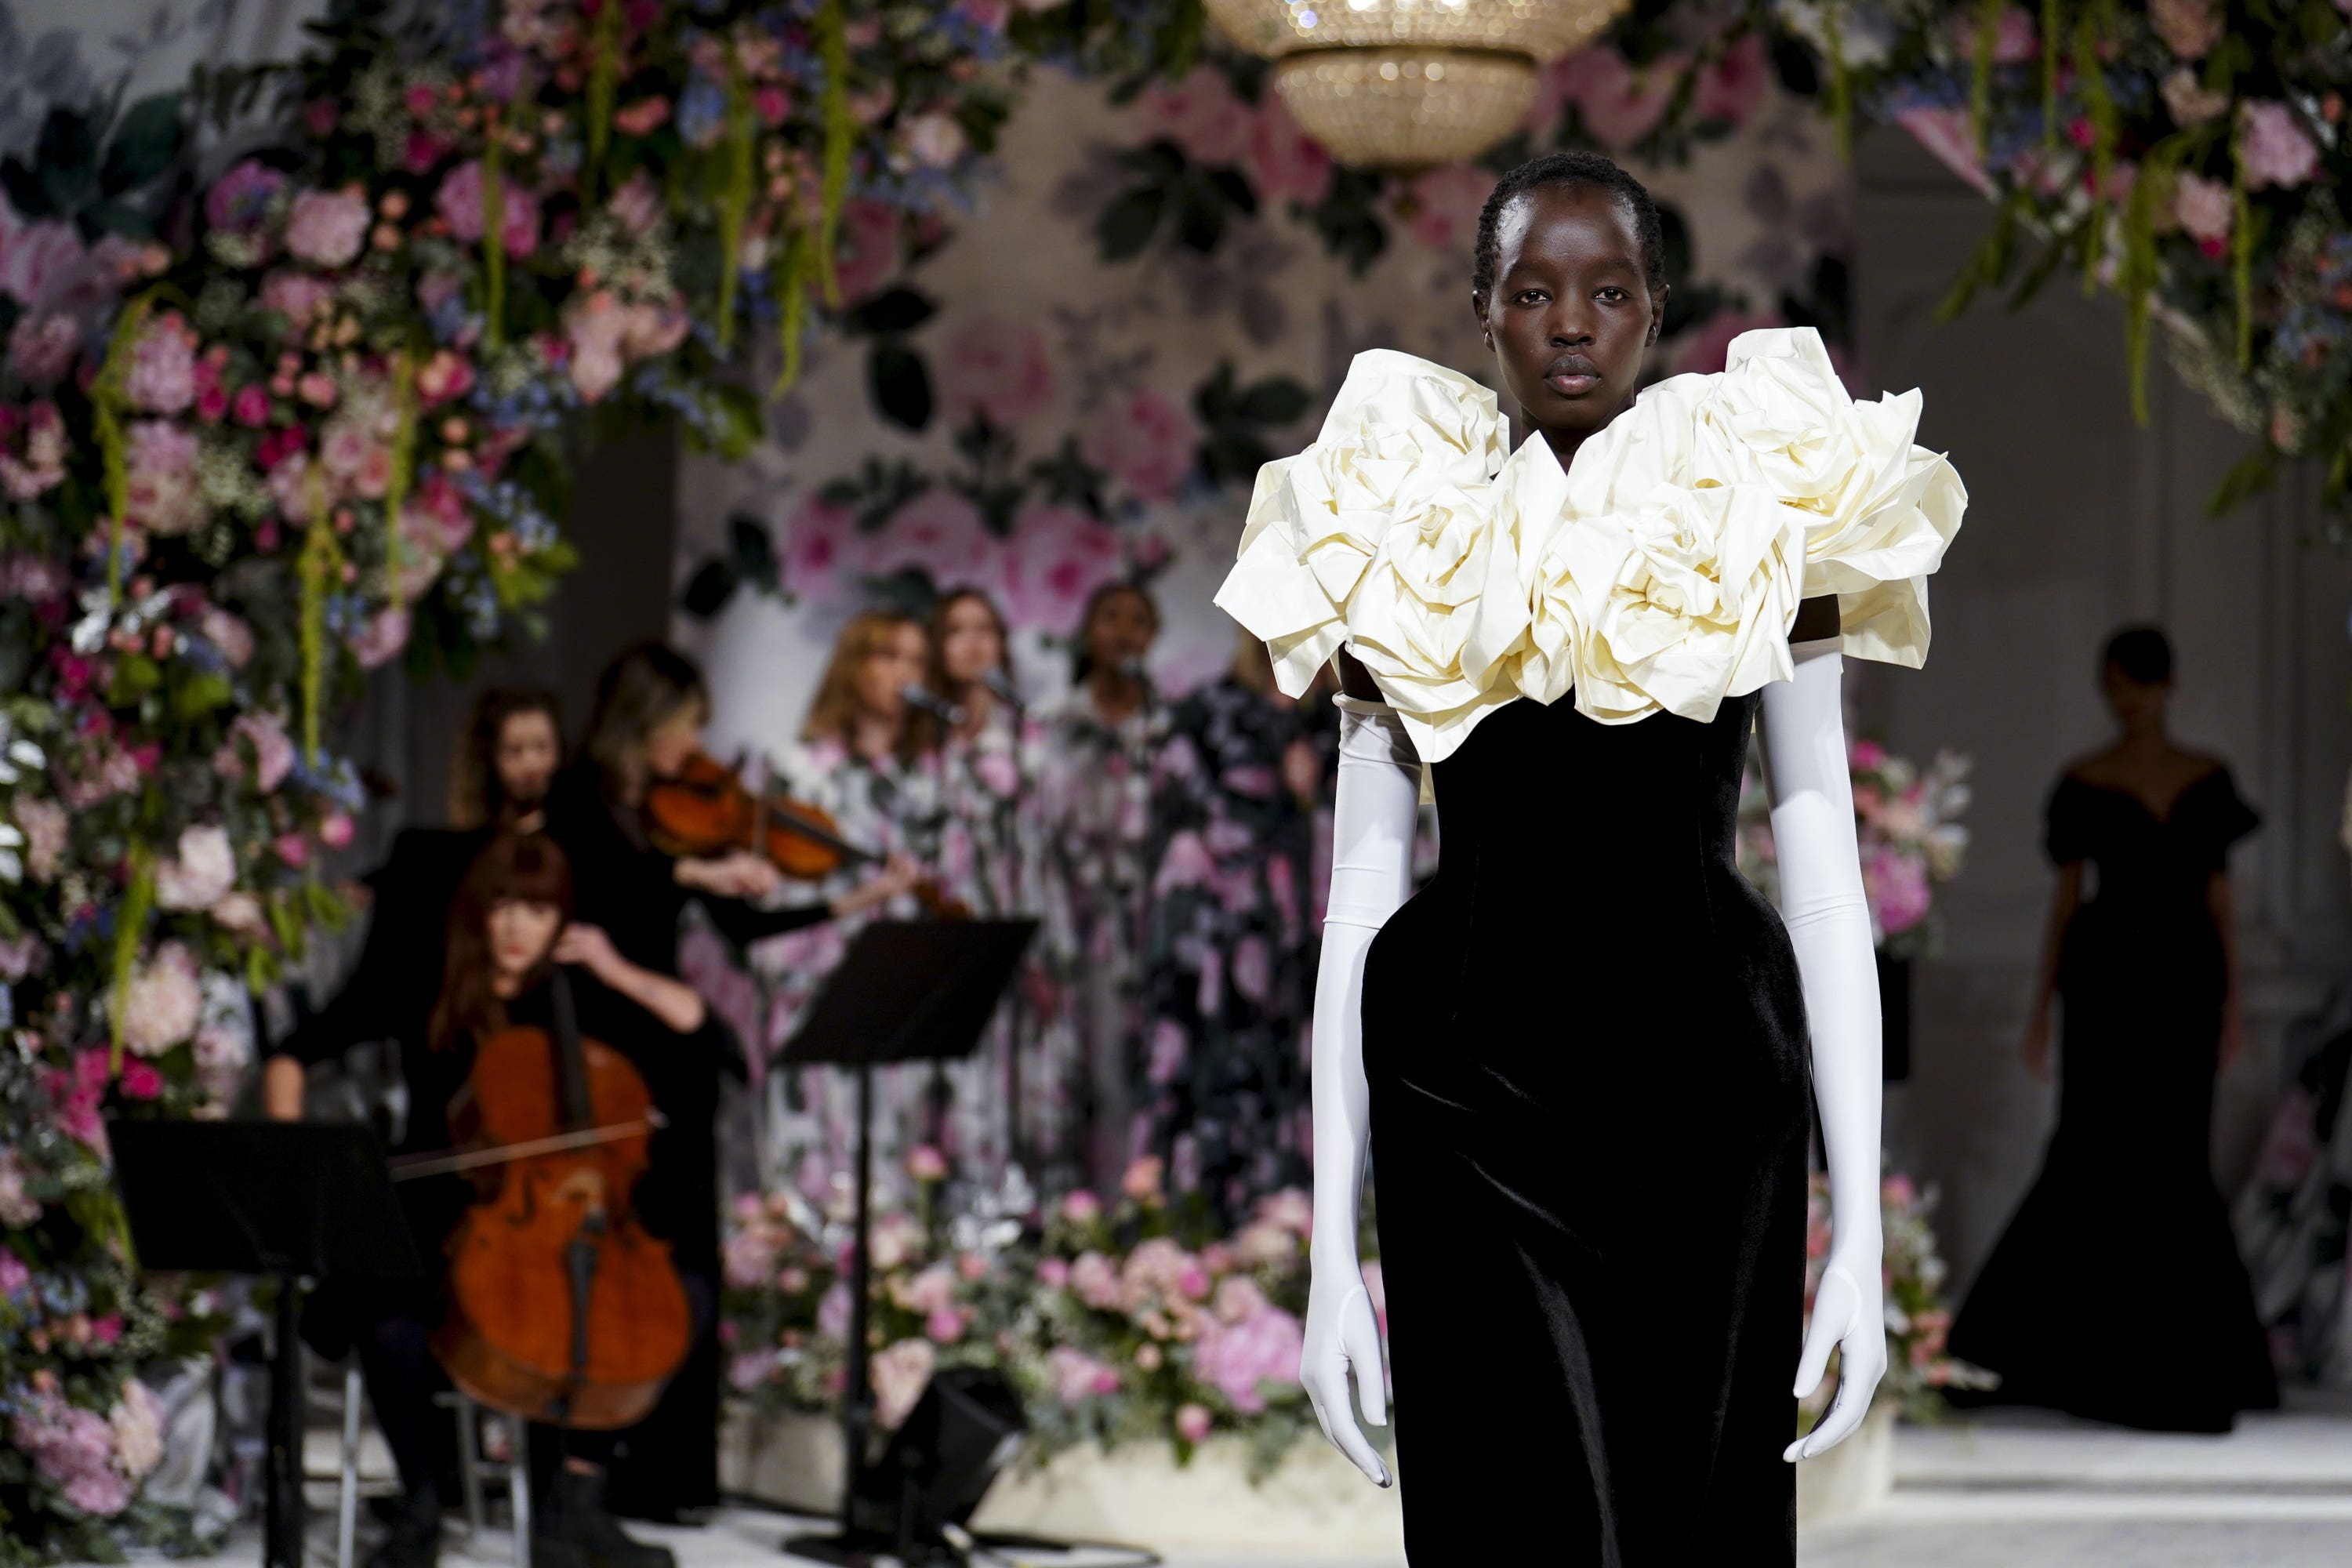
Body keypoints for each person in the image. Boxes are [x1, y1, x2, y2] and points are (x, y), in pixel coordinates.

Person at [1214, 150, 1964, 1562]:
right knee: (1510, 1514)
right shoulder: (1395, 526)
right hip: (1463, 1088)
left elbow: (1821, 881)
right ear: (1482, 312)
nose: (1573, 321)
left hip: (1706, 1100)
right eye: (1535, 290)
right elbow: (1358, 905)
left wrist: (1854, 1238)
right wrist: (1333, 1258)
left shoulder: (1765, 517)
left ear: (1656, 308)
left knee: (1689, 1517)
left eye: (1609, 290)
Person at [264, 833, 717, 1568]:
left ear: (560, 920)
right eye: (503, 905)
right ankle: (417, 1509)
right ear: (478, 911)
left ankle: (575, 1496)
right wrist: (287, 1151)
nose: (517, 926)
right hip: (438, 1210)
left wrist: (614, 967)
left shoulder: (581, 992)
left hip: (558, 1217)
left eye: (538, 910)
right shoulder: (426, 980)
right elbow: (299, 1048)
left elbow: (696, 1028)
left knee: (682, 1295)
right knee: (389, 1320)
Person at [538, 642, 914, 1521]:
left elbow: (742, 923)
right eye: (685, 725)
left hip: (671, 1044)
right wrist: (691, 871)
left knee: (687, 1260)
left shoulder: (671, 816)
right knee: (616, 1259)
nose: (696, 745)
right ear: (645, 720)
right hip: (601, 1040)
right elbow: (598, 886)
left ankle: (670, 1474)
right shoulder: (582, 803)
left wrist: (851, 901)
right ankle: (591, 1464)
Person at [1950, 626, 2277, 1432]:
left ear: (2164, 684)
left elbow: (2220, 901)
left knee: (2176, 1157)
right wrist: (2039, 1015)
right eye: (2114, 685)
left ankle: (2191, 1357)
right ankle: (2072, 1353)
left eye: (2135, 682)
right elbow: (2064, 905)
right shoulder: (2083, 781)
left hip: (2186, 988)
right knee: (2092, 1150)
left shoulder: (2208, 778)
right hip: (2104, 987)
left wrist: (2234, 1006)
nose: (2126, 699)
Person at [1137, 630, 1335, 1222]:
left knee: (1307, 1074)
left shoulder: (1341, 718)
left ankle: (1301, 1232)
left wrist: (1311, 797)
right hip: (1221, 940)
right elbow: (1170, 817)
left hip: (1314, 935)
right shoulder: (1209, 712)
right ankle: (1211, 1226)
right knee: (1214, 1072)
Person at [757, 609, 957, 1192]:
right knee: (821, 1158)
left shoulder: (935, 779)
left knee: (901, 1165)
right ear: (854, 666)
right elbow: (783, 898)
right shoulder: (800, 772)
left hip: (906, 992)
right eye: (888, 656)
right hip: (822, 989)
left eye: (917, 661)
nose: (904, 674)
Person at [927, 586, 1064, 1178]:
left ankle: (1004, 1209)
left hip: (1007, 932)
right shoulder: (923, 735)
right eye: (958, 629)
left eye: (986, 629)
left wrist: (1039, 950)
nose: (974, 642)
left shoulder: (1025, 735)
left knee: (1008, 1081)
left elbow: (1039, 851)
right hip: (936, 931)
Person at [1037, 581, 1165, 1186]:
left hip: (1156, 919)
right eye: (1110, 617)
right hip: (1080, 923)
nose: (1123, 631)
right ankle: (1093, 1205)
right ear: (1088, 631)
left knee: (1157, 1060)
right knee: (1090, 1069)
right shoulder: (1056, 723)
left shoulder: (1166, 726)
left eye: (1137, 619)